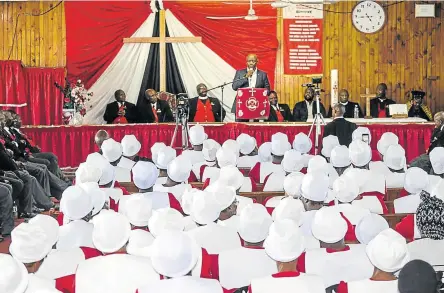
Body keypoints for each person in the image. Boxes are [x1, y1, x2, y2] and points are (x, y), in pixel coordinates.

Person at [231, 54, 271, 120]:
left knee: (255, 128)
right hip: (242, 105)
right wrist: (245, 77)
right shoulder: (240, 72)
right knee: (240, 128)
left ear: (257, 61)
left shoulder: (263, 74)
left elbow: (268, 90)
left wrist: (258, 93)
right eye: (249, 61)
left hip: (256, 105)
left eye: (253, 61)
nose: (251, 63)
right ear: (246, 62)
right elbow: (234, 87)